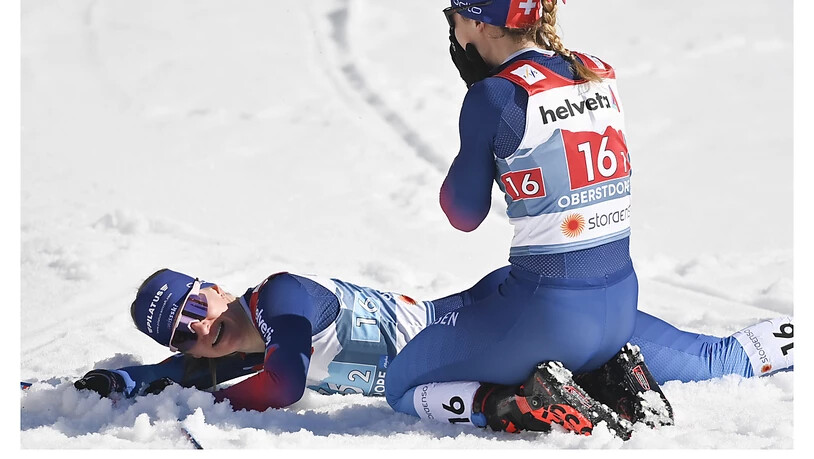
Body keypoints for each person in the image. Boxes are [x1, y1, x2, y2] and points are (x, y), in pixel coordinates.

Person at [378, 0, 789, 437]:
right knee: (508, 287)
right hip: (618, 312)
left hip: (544, 318)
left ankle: (513, 405)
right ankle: (608, 378)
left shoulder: (494, 96)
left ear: (479, 20)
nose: (456, 36)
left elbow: (463, 214)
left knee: (403, 384)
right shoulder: (597, 73)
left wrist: (478, 134)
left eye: (455, 19)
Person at [75, 267, 793, 422]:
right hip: (504, 326)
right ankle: (601, 373)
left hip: (473, 331)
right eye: (183, 330)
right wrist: (125, 383)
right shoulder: (222, 347)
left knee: (402, 390)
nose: (198, 326)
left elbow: (286, 381)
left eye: (196, 305)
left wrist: (217, 397)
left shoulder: (283, 295)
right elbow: (180, 369)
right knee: (714, 360)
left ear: (219, 286)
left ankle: (520, 398)